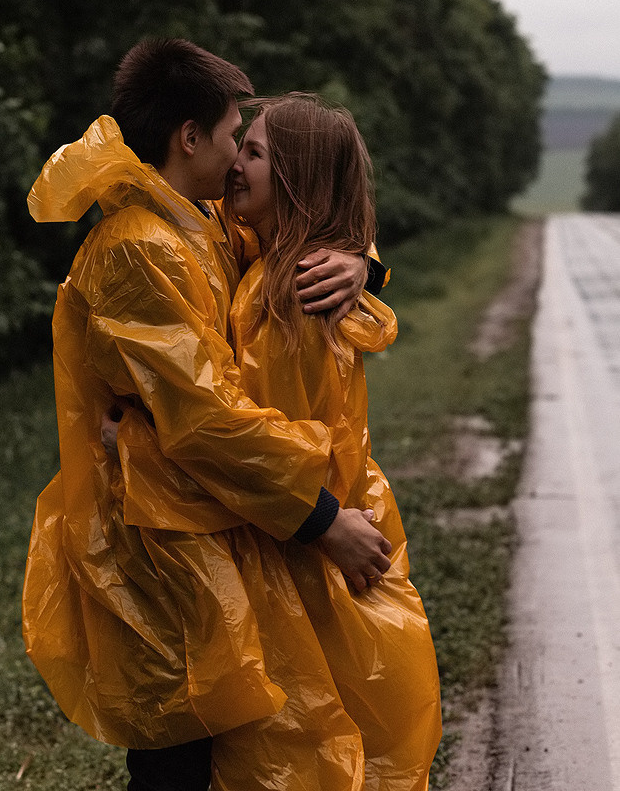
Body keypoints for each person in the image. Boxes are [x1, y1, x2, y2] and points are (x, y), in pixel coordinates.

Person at [23, 39, 393, 791]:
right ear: (188, 137)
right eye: (233, 139)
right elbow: (206, 420)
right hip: (159, 541)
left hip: (204, 526)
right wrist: (325, 520)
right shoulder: (138, 250)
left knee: (219, 739)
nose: (236, 161)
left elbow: (303, 220)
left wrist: (362, 261)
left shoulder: (198, 226)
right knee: (178, 748)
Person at [222, 94, 442, 789]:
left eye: (253, 152)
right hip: (306, 529)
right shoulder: (274, 258)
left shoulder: (294, 295)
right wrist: (363, 261)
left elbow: (273, 443)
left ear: (293, 182)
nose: (235, 162)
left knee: (307, 742)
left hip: (301, 540)